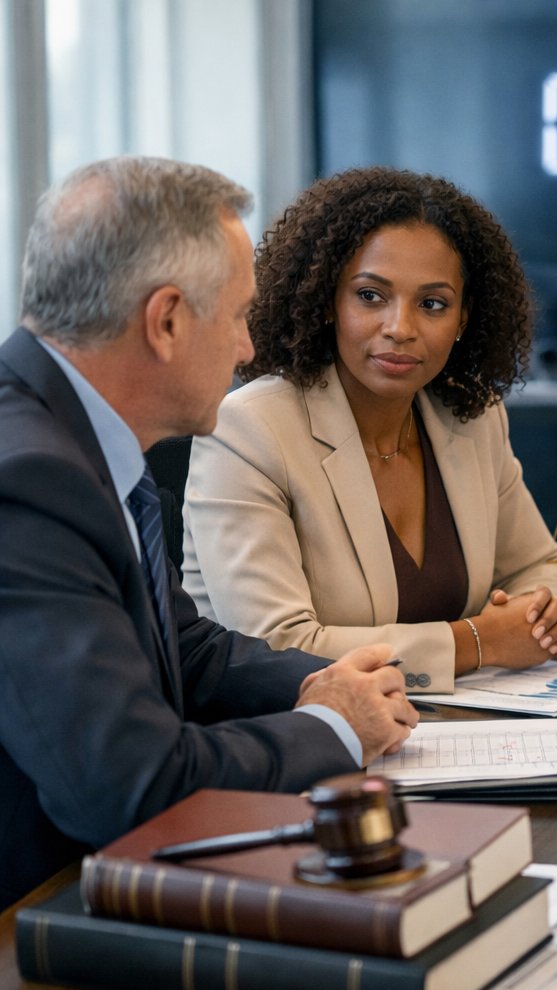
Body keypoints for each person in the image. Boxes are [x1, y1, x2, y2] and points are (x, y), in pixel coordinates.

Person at [0, 156, 419, 908]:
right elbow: (135, 788)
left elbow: (180, 647)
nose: (247, 348)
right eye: (236, 315)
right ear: (165, 321)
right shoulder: (27, 481)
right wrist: (333, 729)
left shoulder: (78, 442)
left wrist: (317, 685)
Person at [182, 168, 557, 691]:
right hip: (298, 740)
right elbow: (275, 647)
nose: (400, 328)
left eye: (432, 304)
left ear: (463, 320)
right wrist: (481, 641)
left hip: (459, 731)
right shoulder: (250, 430)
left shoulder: (473, 417)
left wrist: (543, 616)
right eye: (371, 296)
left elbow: (540, 569)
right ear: (329, 300)